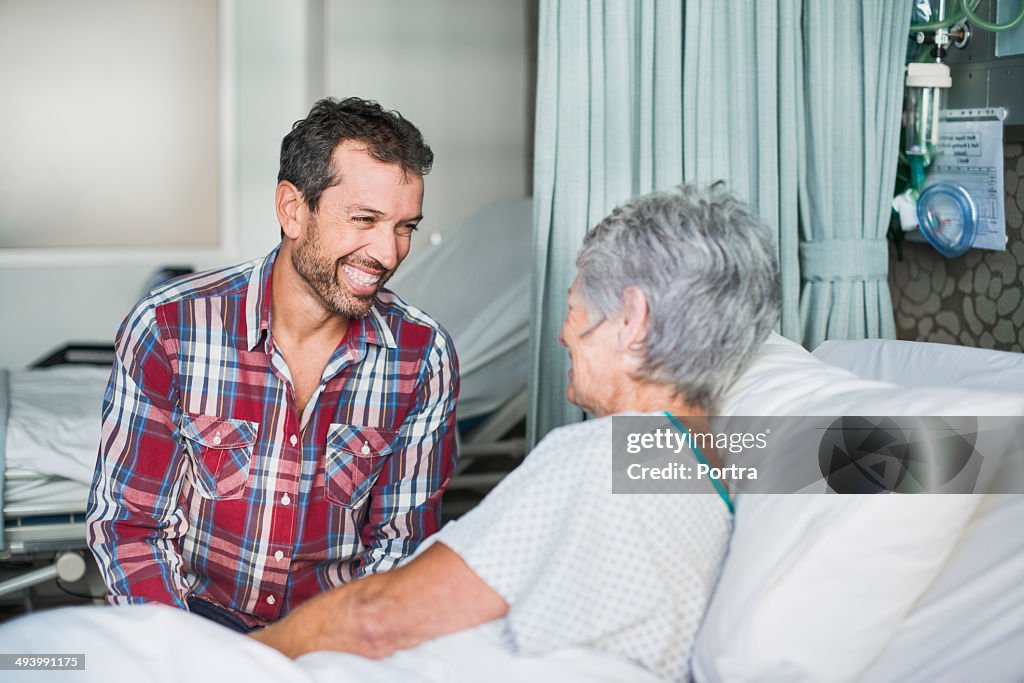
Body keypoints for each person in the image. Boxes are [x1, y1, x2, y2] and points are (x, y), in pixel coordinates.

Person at [250, 182, 781, 681]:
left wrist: (243, 658)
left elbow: (377, 616)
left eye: (575, 309)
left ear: (632, 321)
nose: (563, 333)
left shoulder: (598, 457)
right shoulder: (715, 462)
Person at [86, 97, 459, 632]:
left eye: (405, 227)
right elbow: (129, 529)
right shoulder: (170, 327)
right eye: (364, 220)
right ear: (292, 209)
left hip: (330, 633)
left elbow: (400, 546)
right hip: (194, 623)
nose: (388, 252)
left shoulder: (423, 356)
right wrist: (183, 659)